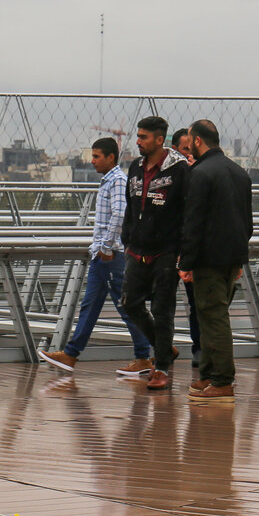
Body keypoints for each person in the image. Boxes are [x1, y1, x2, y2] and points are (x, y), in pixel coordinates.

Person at [37, 138, 154, 377]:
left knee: (127, 307)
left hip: (111, 256)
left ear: (111, 157)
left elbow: (119, 215)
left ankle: (145, 355)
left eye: (97, 156)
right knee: (90, 306)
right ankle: (70, 354)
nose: (92, 161)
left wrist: (107, 247)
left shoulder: (118, 181)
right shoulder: (108, 181)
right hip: (102, 255)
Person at [179, 119, 252, 402]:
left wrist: (186, 263)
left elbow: (193, 222)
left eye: (189, 142)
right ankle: (207, 375)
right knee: (211, 317)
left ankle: (222, 381)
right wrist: (238, 257)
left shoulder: (200, 173)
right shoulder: (239, 172)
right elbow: (248, 222)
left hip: (208, 258)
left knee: (214, 318)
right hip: (232, 257)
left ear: (197, 141)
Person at [120, 116, 189, 391]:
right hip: (136, 249)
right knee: (130, 303)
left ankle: (160, 368)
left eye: (143, 137)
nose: (138, 142)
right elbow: (130, 205)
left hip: (166, 251)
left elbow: (187, 210)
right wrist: (127, 239)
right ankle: (164, 348)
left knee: (162, 310)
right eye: (138, 136)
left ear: (160, 139)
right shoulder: (135, 167)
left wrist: (183, 251)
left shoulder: (179, 170)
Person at [170, 127, 203, 369]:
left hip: (190, 251)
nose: (188, 154)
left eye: (190, 149)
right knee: (161, 301)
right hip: (167, 248)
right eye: (184, 150)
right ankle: (162, 349)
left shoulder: (200, 177)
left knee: (197, 304)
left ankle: (199, 350)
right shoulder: (166, 177)